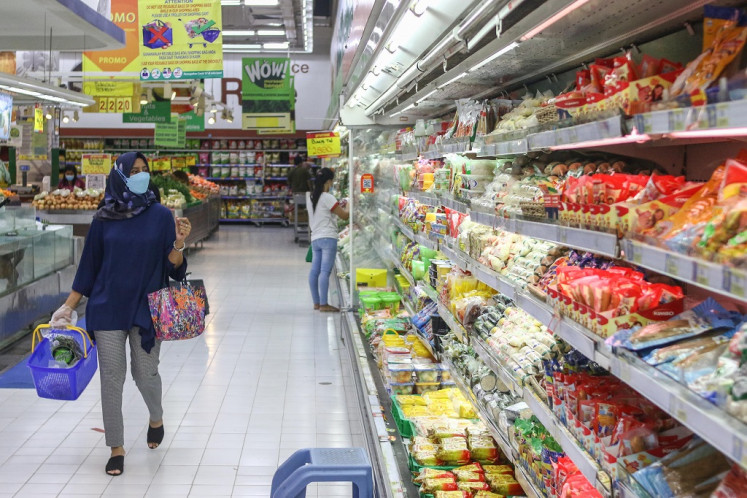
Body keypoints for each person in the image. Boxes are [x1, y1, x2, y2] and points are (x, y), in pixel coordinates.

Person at [50, 151, 191, 477]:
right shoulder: (103, 218)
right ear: (120, 175)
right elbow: (89, 268)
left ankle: (156, 416)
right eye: (134, 171)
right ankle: (116, 447)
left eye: (145, 170)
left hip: (147, 308)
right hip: (107, 308)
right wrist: (68, 307)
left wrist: (180, 243)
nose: (141, 175)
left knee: (145, 375)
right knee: (111, 379)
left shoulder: (160, 215)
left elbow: (175, 270)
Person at [307, 168, 348, 312]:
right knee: (325, 271)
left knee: (315, 271)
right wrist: (349, 204)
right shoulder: (327, 197)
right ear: (329, 181)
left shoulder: (312, 197)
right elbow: (344, 216)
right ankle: (324, 304)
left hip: (316, 237)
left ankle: (317, 303)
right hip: (328, 237)